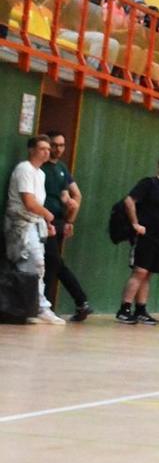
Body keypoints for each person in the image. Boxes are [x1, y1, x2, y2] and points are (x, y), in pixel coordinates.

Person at [6, 135, 65, 325]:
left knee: (38, 265)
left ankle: (33, 307)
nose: (47, 152)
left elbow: (36, 204)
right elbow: (29, 202)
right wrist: (48, 215)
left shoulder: (41, 174)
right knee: (32, 264)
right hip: (20, 223)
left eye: (49, 149)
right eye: (43, 148)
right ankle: (37, 307)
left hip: (34, 222)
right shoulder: (24, 169)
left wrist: (46, 223)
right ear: (31, 150)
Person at [118, 155, 159, 325]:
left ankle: (141, 310)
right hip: (146, 237)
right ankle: (124, 309)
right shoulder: (148, 184)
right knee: (140, 271)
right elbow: (129, 201)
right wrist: (135, 224)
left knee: (148, 274)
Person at [40, 131, 91, 322]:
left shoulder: (62, 169)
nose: (58, 149)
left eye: (62, 145)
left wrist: (70, 219)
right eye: (54, 145)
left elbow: (73, 195)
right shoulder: (39, 168)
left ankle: (75, 301)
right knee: (53, 261)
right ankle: (78, 300)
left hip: (58, 222)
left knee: (53, 262)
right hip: (43, 221)